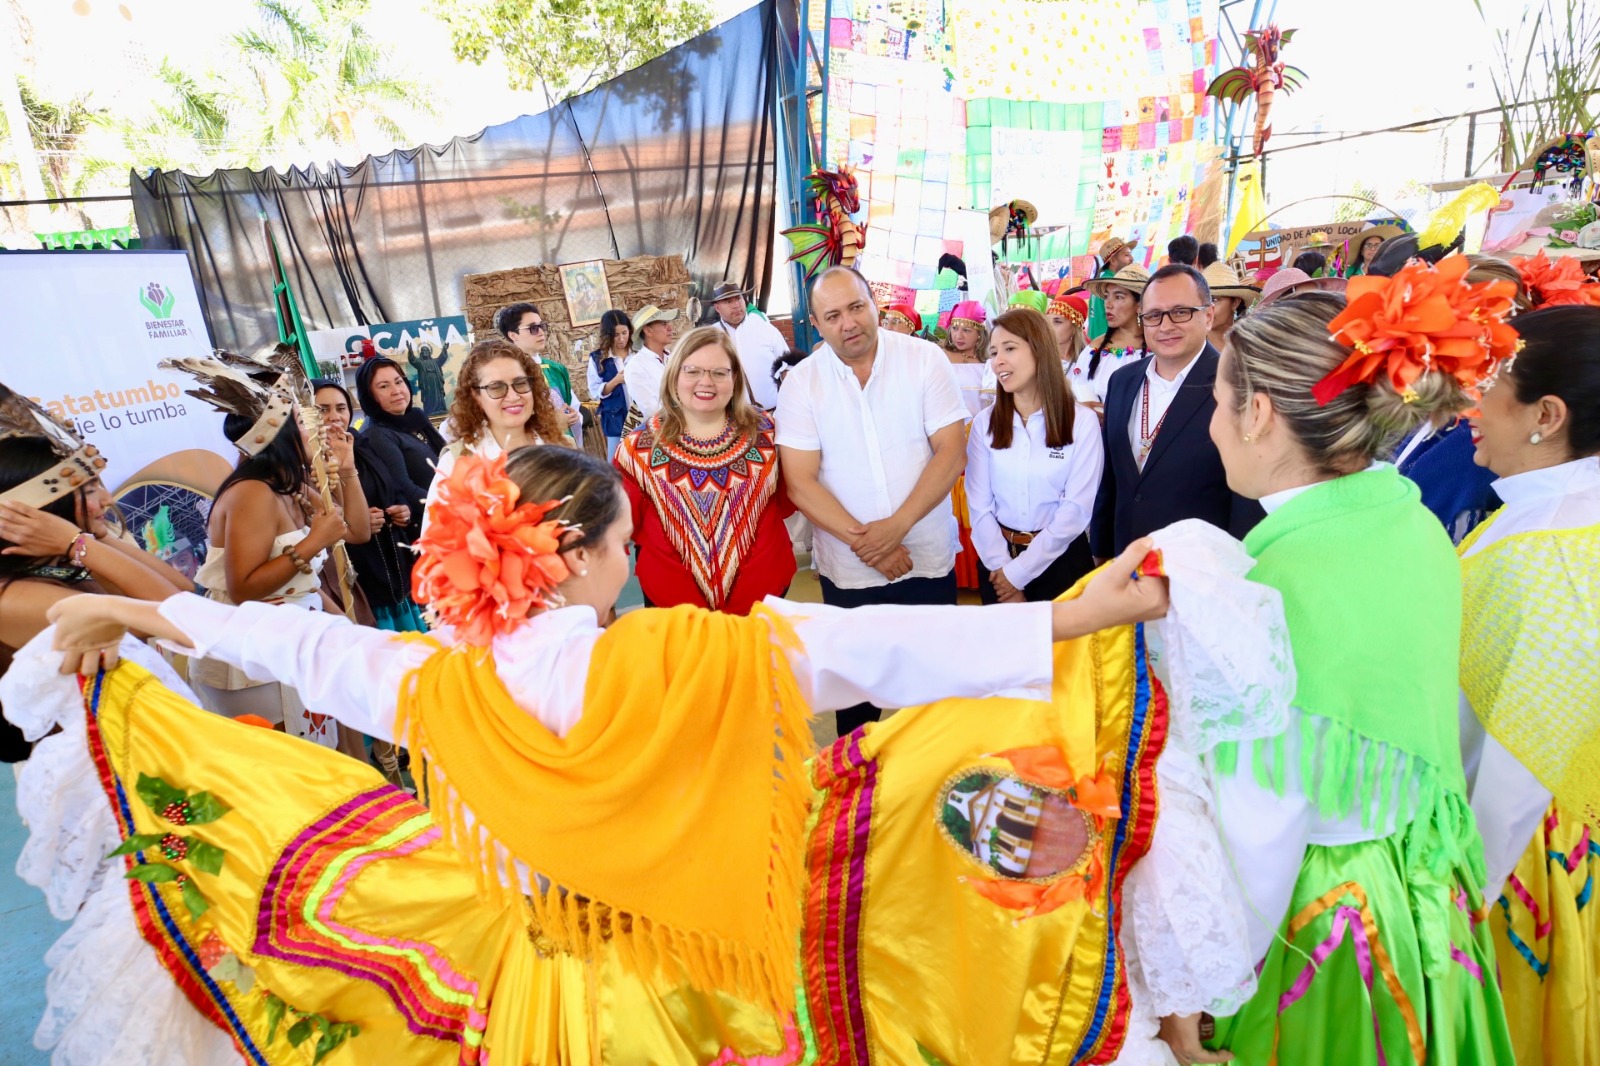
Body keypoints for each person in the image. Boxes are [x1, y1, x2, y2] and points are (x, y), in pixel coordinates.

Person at [26, 439, 1176, 1065]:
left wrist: (136, 616)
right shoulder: (692, 658)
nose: (629, 559)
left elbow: (297, 642)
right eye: (623, 540)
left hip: (540, 997)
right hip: (696, 992)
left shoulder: (437, 684)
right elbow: (877, 647)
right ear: (574, 553)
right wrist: (1072, 620)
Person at [1175, 265, 1519, 1065]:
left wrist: (1204, 982)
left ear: (1258, 413)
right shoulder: (1412, 523)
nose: (1214, 429)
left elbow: (1261, 826)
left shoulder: (1276, 584)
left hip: (1323, 928)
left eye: (1219, 406)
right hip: (1422, 892)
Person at [1458, 304, 1600, 1066]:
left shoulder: (1539, 550)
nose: (1471, 405)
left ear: (1547, 414)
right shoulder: (1547, 522)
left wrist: (1459, 906)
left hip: (1528, 866)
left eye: (1490, 384)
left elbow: (1514, 767)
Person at [776, 267, 968, 736]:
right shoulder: (802, 383)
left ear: (874, 304)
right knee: (857, 709)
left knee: (937, 700)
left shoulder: (924, 360)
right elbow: (800, 483)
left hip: (925, 560)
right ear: (816, 324)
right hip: (849, 571)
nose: (849, 323)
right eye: (833, 315)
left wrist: (896, 528)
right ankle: (856, 802)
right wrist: (871, 545)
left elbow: (951, 451)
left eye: (857, 307)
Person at [173, 358, 371, 755]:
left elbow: (357, 532)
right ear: (277, 433)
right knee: (295, 768)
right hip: (255, 662)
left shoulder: (289, 484)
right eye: (303, 420)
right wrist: (313, 543)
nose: (315, 428)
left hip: (292, 642)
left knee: (322, 759)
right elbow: (243, 588)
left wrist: (347, 472)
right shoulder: (252, 493)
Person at [0, 384, 191, 758]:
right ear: (38, 509)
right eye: (88, 489)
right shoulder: (12, 597)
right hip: (95, 777)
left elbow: (182, 589)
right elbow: (179, 617)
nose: (106, 499)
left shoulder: (60, 565)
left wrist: (93, 537)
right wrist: (79, 543)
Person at [614, 327, 794, 612]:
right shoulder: (637, 449)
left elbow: (787, 500)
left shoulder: (769, 435)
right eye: (693, 371)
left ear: (735, 379)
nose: (706, 382)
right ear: (674, 376)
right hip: (673, 614)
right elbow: (622, 527)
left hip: (764, 604)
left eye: (719, 372)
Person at [1090, 264, 1264, 559]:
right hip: (1127, 560)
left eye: (1181, 312)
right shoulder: (1122, 381)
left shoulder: (1238, 385)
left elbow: (1247, 496)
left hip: (1201, 569)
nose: (1166, 326)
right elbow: (1112, 478)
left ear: (1208, 316)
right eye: (1154, 315)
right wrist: (1102, 548)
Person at [966, 308, 1103, 604]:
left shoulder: (1081, 422)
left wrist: (1018, 575)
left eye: (1010, 348)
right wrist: (1003, 570)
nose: (998, 360)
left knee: (1063, 650)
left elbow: (1076, 510)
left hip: (1062, 561)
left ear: (1040, 349)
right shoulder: (984, 424)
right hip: (997, 563)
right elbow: (979, 507)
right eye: (993, 352)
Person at [313, 380, 426, 634]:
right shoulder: (308, 465)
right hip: (355, 575)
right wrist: (359, 521)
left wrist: (403, 509)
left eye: (341, 408)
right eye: (323, 410)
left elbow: (392, 487)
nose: (334, 417)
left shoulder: (362, 446)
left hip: (391, 564)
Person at [428, 338, 570, 512]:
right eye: (496, 387)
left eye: (520, 383)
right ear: (476, 397)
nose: (513, 396)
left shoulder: (562, 446)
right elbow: (437, 535)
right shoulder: (457, 464)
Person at [355, 354, 444, 538]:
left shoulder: (416, 416)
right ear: (369, 396)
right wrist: (453, 504)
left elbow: (445, 455)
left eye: (398, 382)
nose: (396, 390)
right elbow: (404, 487)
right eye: (384, 386)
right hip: (428, 526)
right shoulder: (376, 434)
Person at [495, 301, 582, 444]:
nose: (541, 332)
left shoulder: (556, 369)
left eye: (541, 326)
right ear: (513, 335)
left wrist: (574, 416)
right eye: (533, 328)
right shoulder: (506, 374)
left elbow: (573, 405)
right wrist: (550, 422)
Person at [1070, 265, 1149, 410]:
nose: (1108, 304)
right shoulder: (1096, 348)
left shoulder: (1157, 346)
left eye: (1118, 297)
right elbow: (1081, 388)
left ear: (1140, 304)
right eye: (1106, 296)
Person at [708, 281, 785, 410]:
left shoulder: (765, 329)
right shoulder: (710, 336)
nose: (736, 305)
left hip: (774, 413)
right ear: (717, 308)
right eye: (728, 301)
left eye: (739, 298)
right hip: (731, 418)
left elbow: (787, 365)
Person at [586, 309, 632, 460]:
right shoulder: (598, 358)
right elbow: (594, 390)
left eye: (624, 333)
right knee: (616, 462)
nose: (621, 339)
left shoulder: (638, 353)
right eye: (615, 335)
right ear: (607, 335)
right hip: (615, 419)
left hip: (642, 417)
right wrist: (615, 381)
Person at [624, 304, 679, 424]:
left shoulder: (672, 357)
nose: (670, 328)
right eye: (663, 324)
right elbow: (651, 410)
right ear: (648, 331)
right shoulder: (635, 366)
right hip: (663, 429)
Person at [942, 299, 990, 418]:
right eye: (954, 328)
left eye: (966, 330)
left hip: (981, 429)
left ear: (979, 334)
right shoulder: (940, 357)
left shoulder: (989, 363)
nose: (958, 336)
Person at [1201, 260, 1260, 352]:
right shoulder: (1192, 345)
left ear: (1235, 302)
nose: (1206, 309)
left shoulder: (1251, 343)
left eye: (1214, 300)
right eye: (1201, 301)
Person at [1086, 235, 1136, 341]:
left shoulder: (1101, 282)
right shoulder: (1114, 284)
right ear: (1113, 261)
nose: (1132, 259)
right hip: (1109, 346)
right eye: (1127, 255)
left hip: (1097, 345)